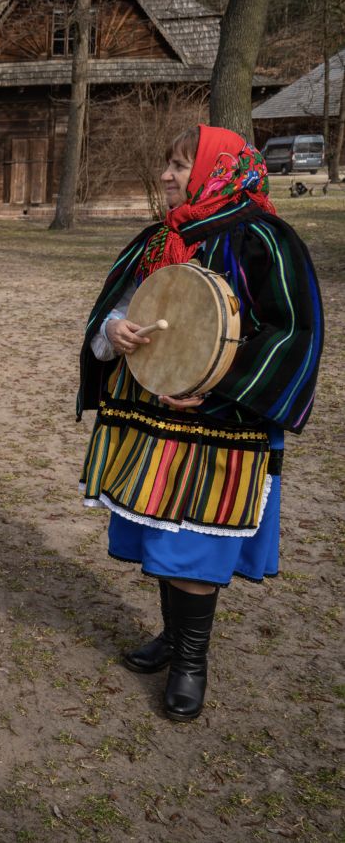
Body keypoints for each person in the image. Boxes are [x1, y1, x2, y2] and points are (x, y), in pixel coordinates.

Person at [78, 124, 324, 723]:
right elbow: (116, 310)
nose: (166, 174)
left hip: (222, 429)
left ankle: (192, 662)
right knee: (164, 537)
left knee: (195, 546)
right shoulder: (156, 240)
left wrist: (211, 378)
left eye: (181, 164)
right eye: (167, 162)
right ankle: (171, 637)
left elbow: (293, 334)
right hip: (153, 420)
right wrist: (114, 332)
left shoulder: (266, 239)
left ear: (217, 170)